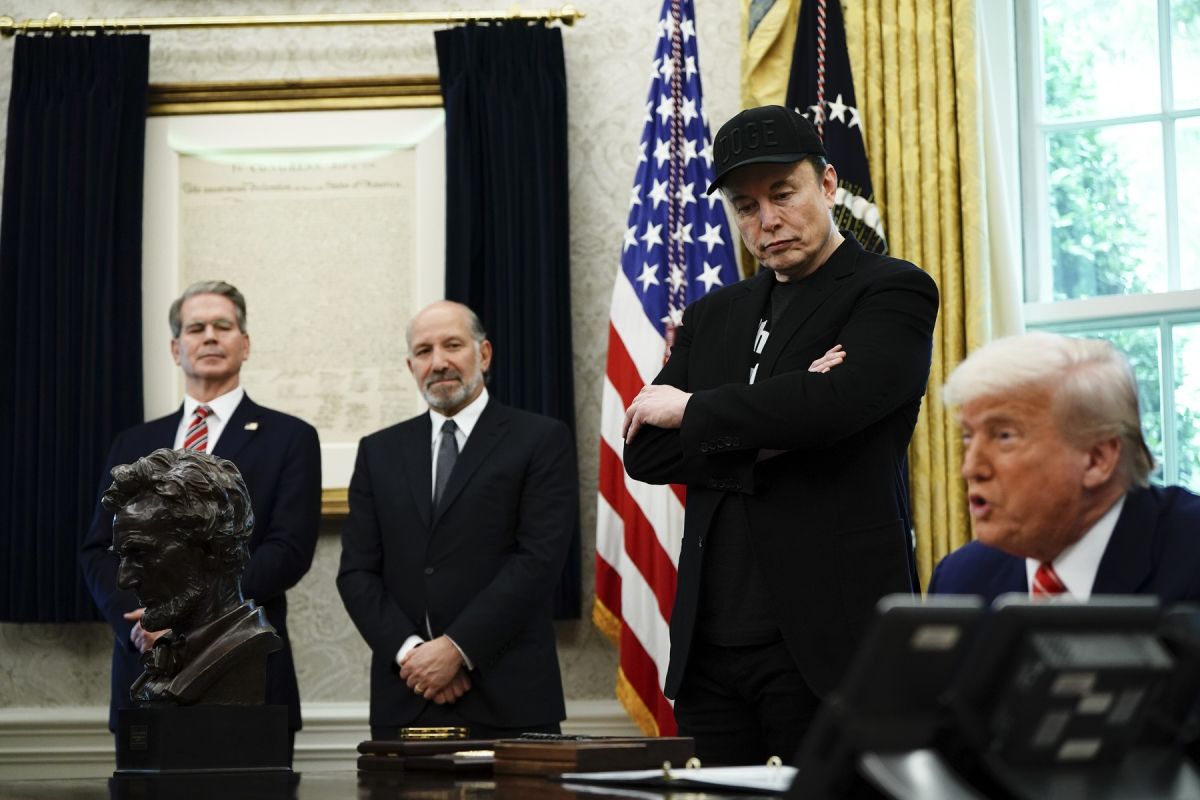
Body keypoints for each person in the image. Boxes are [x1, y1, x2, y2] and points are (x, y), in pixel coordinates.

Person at [621, 104, 939, 764]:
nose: (766, 221)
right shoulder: (714, 315)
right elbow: (645, 450)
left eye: (783, 194)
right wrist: (789, 411)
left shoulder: (892, 291)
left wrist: (694, 410)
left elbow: (835, 407)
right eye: (746, 206)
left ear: (827, 185)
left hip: (829, 641)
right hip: (710, 648)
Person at [79, 280, 321, 750]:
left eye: (222, 326)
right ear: (176, 349)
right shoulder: (133, 442)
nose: (209, 336)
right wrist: (143, 623)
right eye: (196, 328)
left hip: (247, 673)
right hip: (143, 664)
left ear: (244, 344)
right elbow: (98, 550)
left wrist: (193, 617)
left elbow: (287, 550)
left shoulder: (291, 437)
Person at [337, 300, 578, 741]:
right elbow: (356, 573)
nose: (438, 362)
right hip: (407, 695)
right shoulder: (378, 452)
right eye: (424, 351)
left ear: (483, 354)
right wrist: (414, 655)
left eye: (452, 345)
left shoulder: (541, 439)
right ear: (411, 366)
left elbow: (538, 562)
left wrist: (455, 650)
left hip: (510, 698)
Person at [928, 331, 1200, 603]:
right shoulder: (959, 580)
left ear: (1096, 459)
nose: (970, 468)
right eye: (968, 435)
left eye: (1004, 436)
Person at [105, 448, 280, 706]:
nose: (124, 580)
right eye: (122, 557)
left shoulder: (242, 649)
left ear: (210, 550)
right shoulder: (171, 653)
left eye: (140, 554)